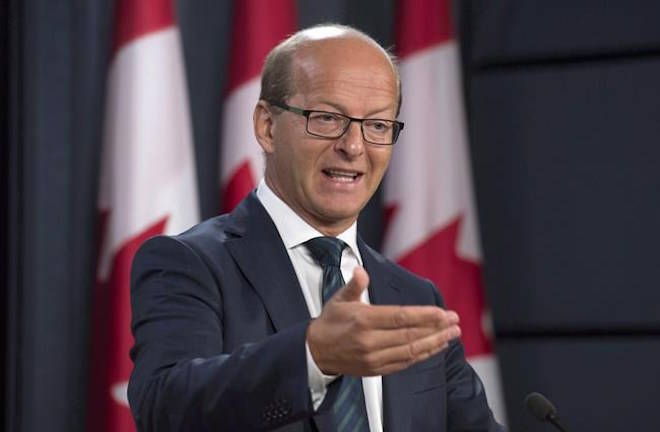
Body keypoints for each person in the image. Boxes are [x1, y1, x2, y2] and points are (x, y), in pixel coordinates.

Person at [128, 24, 504, 432]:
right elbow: (166, 406)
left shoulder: (414, 297)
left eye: (377, 126)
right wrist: (312, 357)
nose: (354, 146)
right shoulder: (191, 264)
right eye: (327, 118)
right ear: (267, 127)